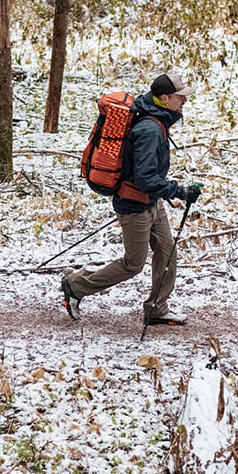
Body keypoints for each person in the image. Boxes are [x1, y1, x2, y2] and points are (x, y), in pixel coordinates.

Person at [61, 72, 202, 325]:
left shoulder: (157, 120)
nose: (184, 102)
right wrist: (179, 190)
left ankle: (157, 309)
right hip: (134, 205)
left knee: (167, 250)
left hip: (150, 201)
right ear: (165, 98)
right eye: (180, 98)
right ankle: (75, 286)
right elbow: (145, 179)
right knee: (133, 264)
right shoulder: (149, 129)